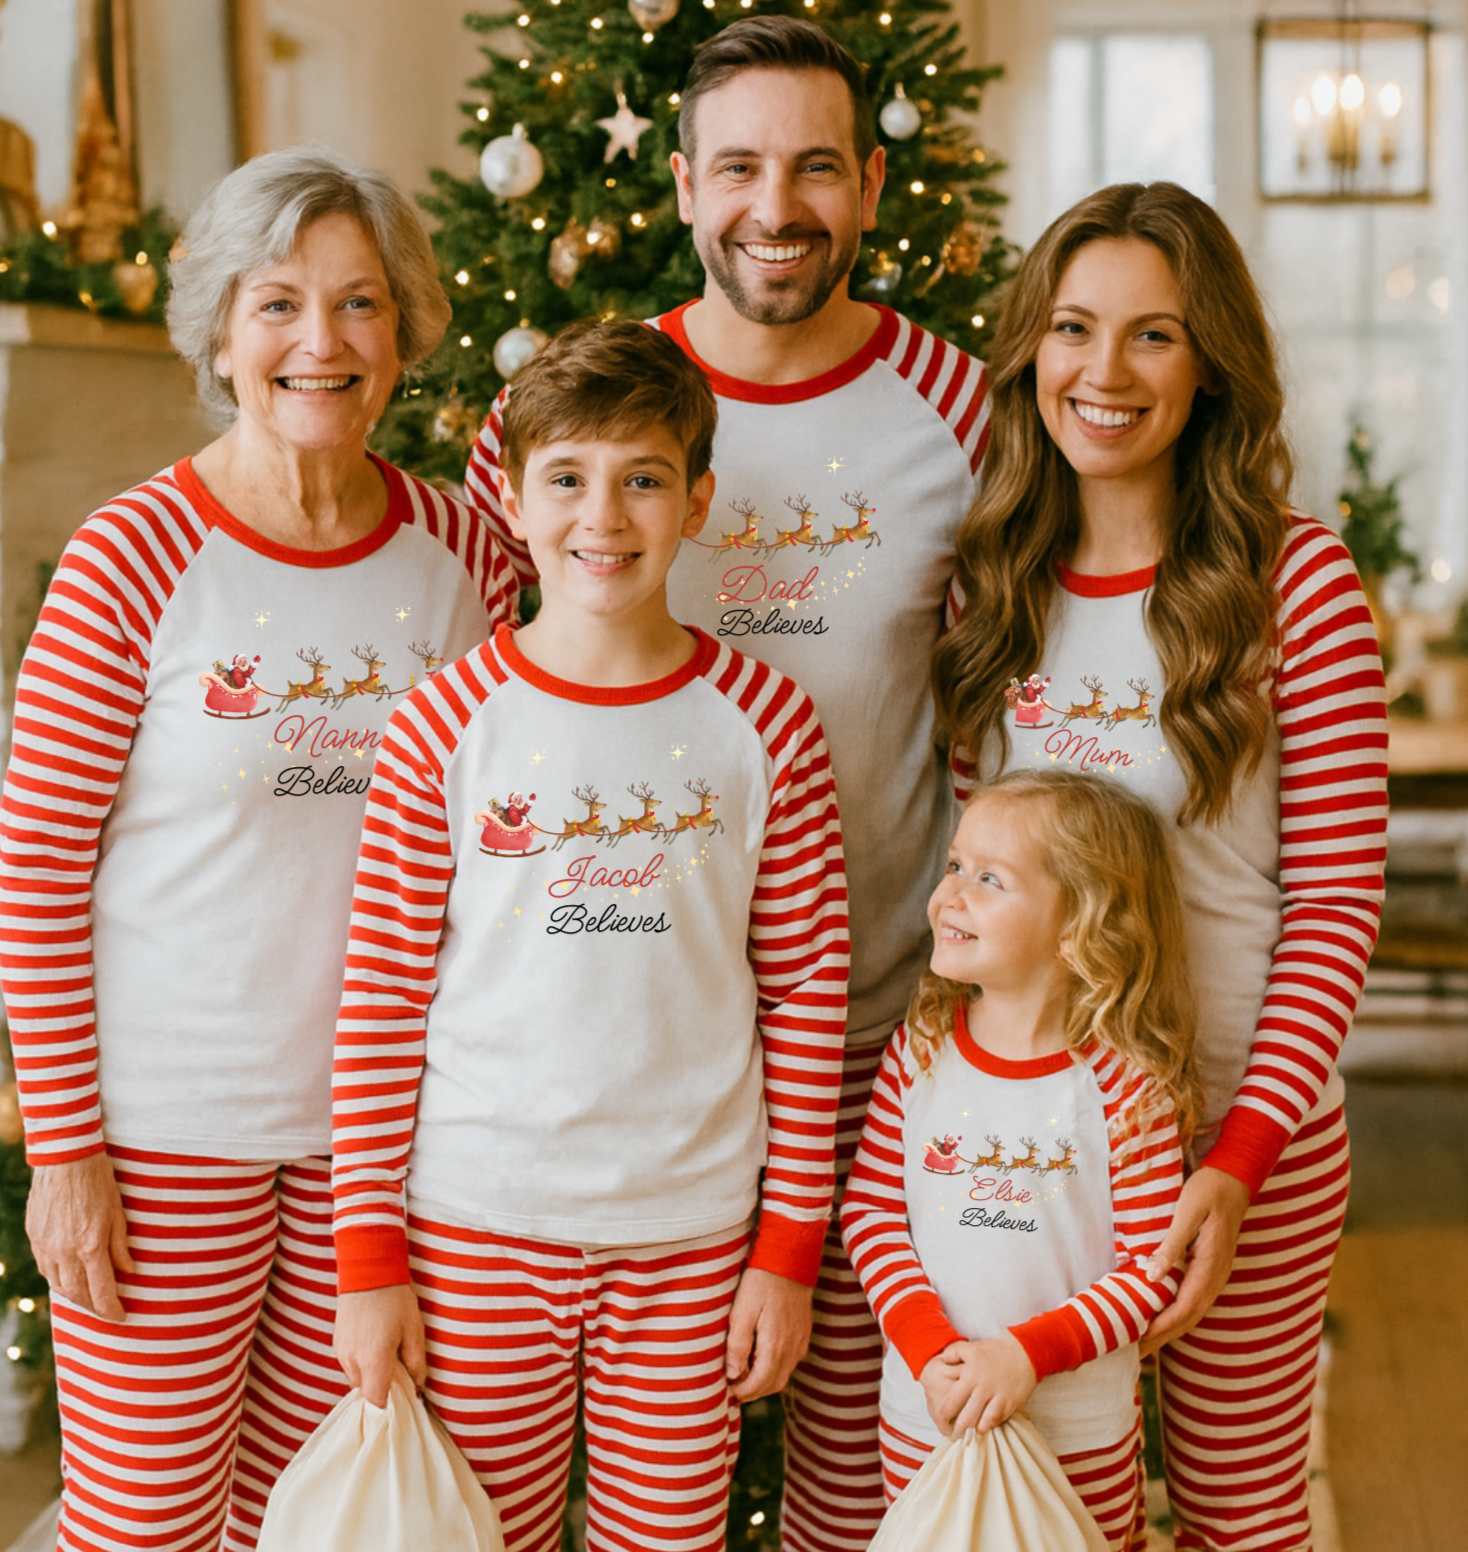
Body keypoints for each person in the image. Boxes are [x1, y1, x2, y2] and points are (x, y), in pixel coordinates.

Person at [462, 20, 989, 1545]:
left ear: (872, 185)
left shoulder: (957, 411)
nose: (778, 204)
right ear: (684, 188)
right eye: (741, 166)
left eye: (817, 166)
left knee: (856, 1473)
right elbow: (506, 683)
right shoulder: (580, 416)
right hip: (639, 1061)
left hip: (882, 1029)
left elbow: (1014, 680)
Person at [0, 146, 517, 1552]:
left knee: (324, 1521)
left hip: (394, 1155)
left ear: (406, 329)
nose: (321, 342)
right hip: (170, 1140)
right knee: (147, 1518)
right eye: (277, 303)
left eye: (360, 304)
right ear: (222, 331)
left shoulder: (470, 552)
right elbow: (37, 869)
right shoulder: (134, 556)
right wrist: (65, 1151)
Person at [330, 319, 850, 1552]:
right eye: (565, 478)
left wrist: (786, 1251)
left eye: (642, 479)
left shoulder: (766, 724)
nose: (601, 517)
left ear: (698, 498)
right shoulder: (441, 725)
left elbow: (810, 993)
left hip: (691, 1234)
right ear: (512, 498)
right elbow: (380, 999)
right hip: (472, 1223)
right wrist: (367, 1261)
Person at [931, 181, 1388, 1550]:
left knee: (1242, 1516)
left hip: (1241, 1145)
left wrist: (1235, 1161)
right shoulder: (990, 591)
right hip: (1038, 1151)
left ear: (1211, 364)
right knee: (1044, 1509)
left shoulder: (1293, 585)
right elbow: (980, 895)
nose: (1105, 373)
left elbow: (1338, 901)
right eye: (1074, 329)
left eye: (1153, 336)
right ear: (1032, 353)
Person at [841, 770, 1198, 1550]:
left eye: (990, 879)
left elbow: (1149, 1269)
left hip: (1079, 1434)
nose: (951, 894)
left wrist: (1022, 1357)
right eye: (955, 865)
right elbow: (871, 1216)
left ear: (1078, 927)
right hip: (924, 1411)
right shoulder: (920, 1053)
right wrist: (932, 1350)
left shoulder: (1124, 1085)